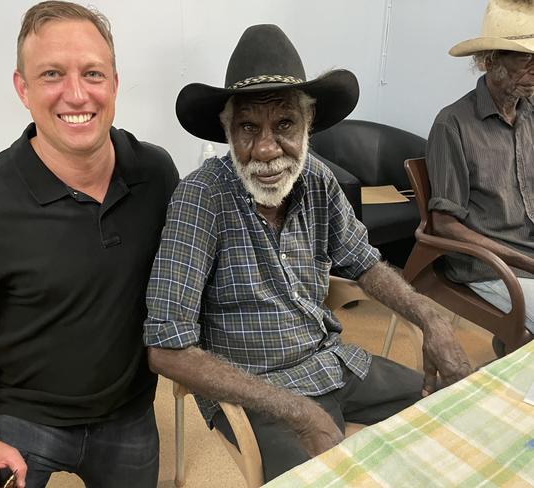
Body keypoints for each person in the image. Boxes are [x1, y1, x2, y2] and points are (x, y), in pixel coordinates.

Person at [143, 24, 472, 482]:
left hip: (332, 363)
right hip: (256, 390)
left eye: (284, 124)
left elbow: (366, 263)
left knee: (459, 409)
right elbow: (166, 349)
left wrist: (432, 319)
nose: (265, 148)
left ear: (308, 124)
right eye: (247, 127)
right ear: (227, 130)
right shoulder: (201, 198)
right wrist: (296, 410)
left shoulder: (318, 180)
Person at [0, 2, 178, 487]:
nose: (77, 93)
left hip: (127, 413)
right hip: (20, 412)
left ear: (115, 84)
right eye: (51, 74)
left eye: (93, 73)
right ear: (23, 89)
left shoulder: (156, 174)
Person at [426, 0, 534, 350]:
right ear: (490, 61)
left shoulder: (530, 115)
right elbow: (444, 224)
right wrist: (520, 259)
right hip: (488, 264)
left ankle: (510, 363)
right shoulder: (453, 123)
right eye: (526, 60)